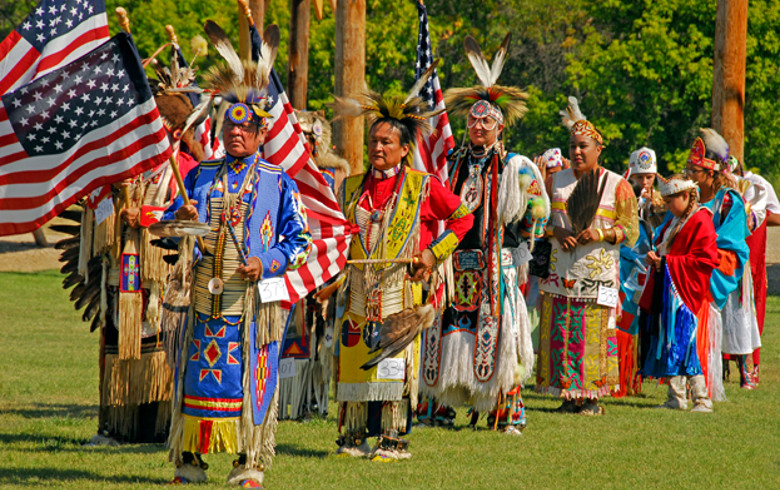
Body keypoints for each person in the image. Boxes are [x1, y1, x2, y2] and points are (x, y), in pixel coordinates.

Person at [164, 26, 311, 486]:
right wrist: (180, 215)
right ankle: (190, 463)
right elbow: (170, 231)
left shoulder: (276, 181)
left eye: (244, 129)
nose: (235, 135)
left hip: (252, 305)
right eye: (229, 127)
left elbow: (301, 241)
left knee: (250, 384)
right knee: (196, 383)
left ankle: (248, 463)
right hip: (203, 303)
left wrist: (265, 261)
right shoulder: (202, 176)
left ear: (259, 132)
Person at [56, 50, 203, 445]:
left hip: (166, 280)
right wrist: (117, 212)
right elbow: (95, 208)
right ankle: (115, 426)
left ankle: (157, 426)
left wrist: (159, 219)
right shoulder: (119, 169)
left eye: (157, 128)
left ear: (173, 131)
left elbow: (198, 222)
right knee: (117, 343)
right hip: (122, 273)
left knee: (161, 347)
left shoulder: (186, 170)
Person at [330, 72, 474, 459]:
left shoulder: (421, 185)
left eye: (386, 142)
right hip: (359, 287)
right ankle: (354, 436)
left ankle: (392, 438)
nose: (378, 147)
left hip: (399, 288)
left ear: (403, 148)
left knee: (395, 360)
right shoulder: (351, 187)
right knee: (355, 354)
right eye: (374, 140)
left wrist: (432, 254)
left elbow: (463, 217)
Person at [418, 34, 548, 434]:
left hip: (498, 265)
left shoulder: (516, 166)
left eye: (485, 120)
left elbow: (537, 213)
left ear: (500, 126)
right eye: (472, 120)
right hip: (454, 265)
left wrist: (516, 243)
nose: (477, 125)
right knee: (448, 332)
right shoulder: (453, 163)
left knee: (502, 336)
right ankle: (439, 406)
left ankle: (501, 411)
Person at [535, 96, 639, 415]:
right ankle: (568, 396)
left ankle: (591, 398)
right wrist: (556, 231)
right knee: (561, 334)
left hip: (599, 275)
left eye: (583, 146)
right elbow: (536, 221)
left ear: (598, 149)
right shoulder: (555, 182)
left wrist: (603, 233)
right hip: (560, 274)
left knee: (593, 335)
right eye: (572, 146)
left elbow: (631, 230)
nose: (576, 152)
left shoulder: (618, 185)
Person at [277, 111, 349, 420]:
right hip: (285, 259)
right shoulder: (279, 174)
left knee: (317, 333)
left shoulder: (331, 177)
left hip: (319, 262)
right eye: (297, 138)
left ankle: (312, 401)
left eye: (307, 137)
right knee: (285, 329)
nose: (302, 143)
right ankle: (281, 397)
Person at [684, 129, 759, 394]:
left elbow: (732, 244)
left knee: (732, 322)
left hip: (719, 273)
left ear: (710, 172)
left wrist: (703, 256)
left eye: (694, 171)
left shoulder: (728, 201)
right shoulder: (689, 199)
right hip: (692, 272)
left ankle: (737, 374)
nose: (689, 176)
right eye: (688, 169)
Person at [639, 175, 719, 412]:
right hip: (670, 288)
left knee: (685, 343)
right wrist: (658, 260)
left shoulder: (701, 220)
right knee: (671, 343)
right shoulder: (675, 220)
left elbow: (706, 259)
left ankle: (702, 399)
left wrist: (665, 261)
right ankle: (676, 397)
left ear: (686, 196)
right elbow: (665, 248)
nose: (667, 205)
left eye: (671, 200)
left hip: (684, 293)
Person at [726, 155, 778, 385]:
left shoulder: (757, 185)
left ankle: (749, 369)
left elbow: (773, 215)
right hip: (723, 262)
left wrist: (748, 216)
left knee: (748, 310)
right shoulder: (715, 193)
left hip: (748, 263)